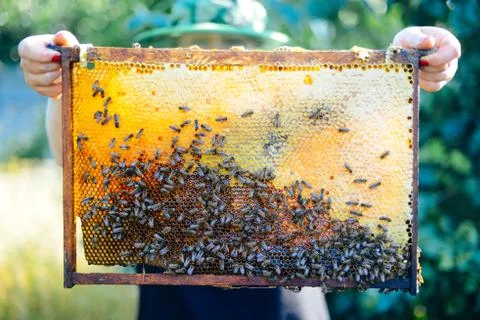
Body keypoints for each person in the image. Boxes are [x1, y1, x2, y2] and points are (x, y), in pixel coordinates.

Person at [18, 3, 461, 319]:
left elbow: (369, 133)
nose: (215, 65)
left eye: (231, 47)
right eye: (196, 48)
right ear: (155, 62)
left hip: (287, 310)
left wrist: (407, 60)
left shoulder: (297, 122)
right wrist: (63, 85)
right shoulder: (145, 134)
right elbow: (73, 153)